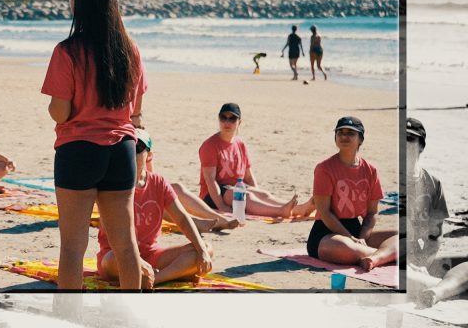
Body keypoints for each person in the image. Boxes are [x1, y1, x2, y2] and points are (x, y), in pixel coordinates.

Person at [41, 0, 146, 291]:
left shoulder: (68, 51)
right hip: (121, 152)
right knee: (126, 245)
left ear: (80, 3)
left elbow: (60, 113)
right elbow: (137, 111)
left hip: (79, 151)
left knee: (73, 249)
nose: (70, 1)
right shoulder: (130, 50)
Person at [97, 129, 214, 287]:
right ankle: (168, 273)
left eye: (138, 148)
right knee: (111, 259)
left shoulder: (158, 182)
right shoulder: (113, 182)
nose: (132, 152)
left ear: (149, 155)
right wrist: (136, 260)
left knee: (206, 249)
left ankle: (154, 279)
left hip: (152, 255)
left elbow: (181, 218)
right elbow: (111, 230)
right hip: (118, 254)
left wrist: (201, 251)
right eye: (128, 147)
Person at [306, 116, 397, 271]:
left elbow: (371, 213)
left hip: (357, 230)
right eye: (340, 132)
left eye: (350, 133)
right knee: (345, 246)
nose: (344, 136)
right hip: (327, 234)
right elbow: (324, 212)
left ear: (360, 139)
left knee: (405, 234)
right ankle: (387, 255)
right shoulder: (324, 168)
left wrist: (361, 237)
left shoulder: (370, 170)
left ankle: (376, 257)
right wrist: (350, 238)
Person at [199, 103, 304, 218]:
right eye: (223, 118)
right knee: (246, 196)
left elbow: (248, 176)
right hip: (213, 194)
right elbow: (210, 180)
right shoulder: (210, 145)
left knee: (263, 194)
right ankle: (280, 211)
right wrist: (222, 206)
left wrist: (257, 195)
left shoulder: (240, 144)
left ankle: (299, 209)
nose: (227, 122)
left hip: (235, 187)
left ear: (240, 122)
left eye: (232, 118)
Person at [404, 117, 467, 308]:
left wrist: (423, 262)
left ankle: (439, 290)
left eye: (410, 139)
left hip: (419, 260)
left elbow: (435, 237)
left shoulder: (433, 183)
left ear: (421, 146)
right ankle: (447, 289)